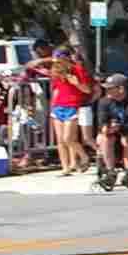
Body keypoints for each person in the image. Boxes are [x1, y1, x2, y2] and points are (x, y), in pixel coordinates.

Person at [92, 74, 128, 190]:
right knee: (103, 138)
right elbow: (102, 120)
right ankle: (110, 171)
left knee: (127, 138)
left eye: (110, 88)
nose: (107, 91)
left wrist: (119, 128)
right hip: (114, 132)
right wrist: (105, 127)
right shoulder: (104, 102)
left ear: (121, 89)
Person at [49, 44, 96, 175]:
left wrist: (76, 83)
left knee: (68, 138)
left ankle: (84, 156)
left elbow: (87, 90)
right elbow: (56, 90)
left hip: (72, 106)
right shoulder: (56, 71)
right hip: (58, 106)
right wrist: (52, 107)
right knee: (60, 140)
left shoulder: (77, 70)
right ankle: (66, 167)